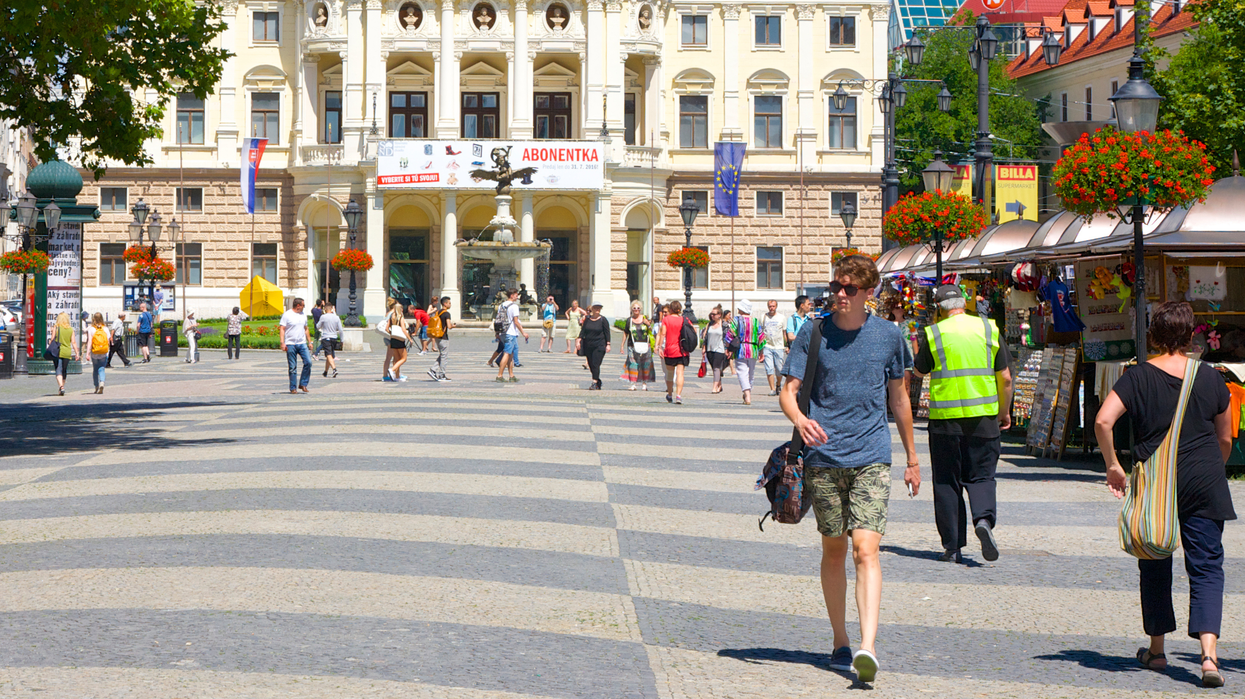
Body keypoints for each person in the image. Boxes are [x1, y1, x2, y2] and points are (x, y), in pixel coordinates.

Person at [779, 254, 919, 684]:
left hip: (872, 456)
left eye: (849, 289)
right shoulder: (813, 332)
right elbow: (789, 390)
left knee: (866, 550)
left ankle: (868, 646)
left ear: (868, 293)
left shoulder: (889, 336)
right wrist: (799, 420)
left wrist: (913, 460)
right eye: (836, 287)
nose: (840, 295)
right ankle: (840, 639)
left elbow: (900, 400)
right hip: (823, 459)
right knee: (834, 550)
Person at [1095, 301, 1235, 689]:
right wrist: (1211, 468)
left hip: (1157, 482)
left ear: (1154, 336)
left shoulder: (1136, 377)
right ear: (1191, 336)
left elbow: (1104, 420)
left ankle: (1156, 650)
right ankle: (1209, 657)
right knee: (1207, 566)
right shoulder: (1210, 377)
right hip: (1204, 480)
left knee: (1154, 558)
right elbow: (1225, 437)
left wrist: (1113, 464)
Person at [912, 285, 1012, 563]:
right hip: (984, 419)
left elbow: (920, 370)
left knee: (947, 480)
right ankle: (983, 520)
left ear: (939, 307)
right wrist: (1003, 412)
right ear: (964, 302)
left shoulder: (934, 333)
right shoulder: (988, 328)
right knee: (982, 476)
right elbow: (1005, 377)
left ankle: (952, 546)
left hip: (946, 421)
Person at [726, 300, 765, 405]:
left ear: (741, 309)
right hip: (753, 349)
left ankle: (747, 395)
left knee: (742, 372)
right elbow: (761, 337)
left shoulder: (737, 320)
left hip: (741, 349)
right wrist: (761, 351)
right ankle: (748, 392)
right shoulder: (755, 321)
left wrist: (728, 348)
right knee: (751, 373)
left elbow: (730, 334)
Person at [656, 300, 690, 404]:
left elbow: (663, 334)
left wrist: (660, 347)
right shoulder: (684, 319)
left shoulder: (666, 319)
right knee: (680, 373)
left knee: (670, 374)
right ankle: (678, 395)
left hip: (669, 350)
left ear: (671, 309)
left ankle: (670, 394)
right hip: (682, 350)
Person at [280, 298, 314, 394]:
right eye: (303, 305)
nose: (304, 307)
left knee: (308, 362)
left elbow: (306, 328)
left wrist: (310, 341)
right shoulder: (287, 315)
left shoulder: (303, 315)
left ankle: (303, 383)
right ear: (298, 306)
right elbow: (282, 329)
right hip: (290, 344)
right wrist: (282, 342)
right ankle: (293, 388)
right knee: (292, 367)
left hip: (302, 343)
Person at [620, 301, 655, 391]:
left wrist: (648, 325)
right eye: (634, 308)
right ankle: (633, 384)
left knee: (645, 364)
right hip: (632, 345)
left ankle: (644, 384)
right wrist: (622, 345)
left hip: (645, 345)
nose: (636, 310)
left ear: (641, 309)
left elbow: (651, 331)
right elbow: (625, 333)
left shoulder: (644, 318)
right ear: (631, 309)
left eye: (638, 308)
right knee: (633, 364)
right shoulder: (629, 320)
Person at [496, 288, 528, 383]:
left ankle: (511, 375)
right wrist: (523, 332)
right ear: (512, 295)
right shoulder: (514, 306)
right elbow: (516, 322)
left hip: (503, 332)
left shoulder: (501, 305)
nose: (517, 296)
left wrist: (497, 333)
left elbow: (498, 320)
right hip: (511, 333)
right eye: (516, 295)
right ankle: (499, 375)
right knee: (506, 353)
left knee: (511, 354)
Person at [578, 303, 612, 390]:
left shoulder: (603, 320)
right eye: (595, 308)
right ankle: (597, 380)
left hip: (599, 345)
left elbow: (607, 333)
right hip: (588, 345)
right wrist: (579, 340)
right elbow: (583, 331)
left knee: (596, 363)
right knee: (590, 364)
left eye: (599, 308)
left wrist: (608, 344)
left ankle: (594, 382)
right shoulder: (588, 320)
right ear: (591, 309)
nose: (597, 309)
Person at [48, 312, 78, 396]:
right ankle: (62, 387)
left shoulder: (56, 328)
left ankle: (61, 386)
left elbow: (52, 340)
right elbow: (74, 342)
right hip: (67, 352)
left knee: (58, 369)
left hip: (57, 351)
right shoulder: (70, 329)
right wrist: (77, 353)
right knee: (64, 370)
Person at [762, 299, 787, 396]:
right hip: (767, 346)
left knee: (779, 369)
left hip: (779, 346)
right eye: (770, 306)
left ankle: (778, 384)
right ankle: (772, 389)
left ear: (776, 307)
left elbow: (784, 333)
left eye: (773, 306)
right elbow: (761, 332)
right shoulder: (764, 317)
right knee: (769, 368)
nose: (771, 308)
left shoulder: (782, 318)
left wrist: (786, 345)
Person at [701, 305, 729, 394]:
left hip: (720, 349)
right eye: (711, 314)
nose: (712, 316)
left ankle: (714, 387)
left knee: (716, 368)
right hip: (710, 349)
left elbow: (727, 338)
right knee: (714, 368)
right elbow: (705, 337)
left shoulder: (724, 325)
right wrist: (704, 347)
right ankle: (719, 385)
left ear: (719, 315)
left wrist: (727, 349)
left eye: (714, 314)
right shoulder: (709, 324)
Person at [427, 296, 454, 382]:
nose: (450, 304)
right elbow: (449, 326)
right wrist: (453, 326)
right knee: (444, 356)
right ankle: (441, 374)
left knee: (442, 354)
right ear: (445, 304)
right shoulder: (447, 314)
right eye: (449, 303)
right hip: (443, 337)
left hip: (437, 336)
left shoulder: (438, 312)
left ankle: (433, 370)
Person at [386, 302, 413, 382]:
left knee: (397, 359)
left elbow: (386, 329)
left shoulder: (391, 316)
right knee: (404, 358)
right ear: (400, 309)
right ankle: (392, 370)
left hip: (393, 339)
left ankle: (397, 377)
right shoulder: (400, 317)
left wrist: (392, 333)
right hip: (400, 339)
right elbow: (403, 329)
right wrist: (410, 338)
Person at [317, 302, 342, 378]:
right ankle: (325, 371)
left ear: (325, 309)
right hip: (334, 337)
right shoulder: (336, 317)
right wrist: (342, 340)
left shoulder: (323, 317)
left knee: (328, 354)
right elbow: (340, 329)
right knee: (330, 355)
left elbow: (318, 326)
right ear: (332, 308)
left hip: (326, 337)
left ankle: (334, 369)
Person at [88, 312, 110, 394]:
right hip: (104, 352)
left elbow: (90, 342)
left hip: (95, 352)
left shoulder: (91, 329)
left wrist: (87, 353)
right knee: (102, 368)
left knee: (95, 369)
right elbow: (108, 342)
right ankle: (102, 383)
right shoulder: (105, 329)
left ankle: (96, 386)